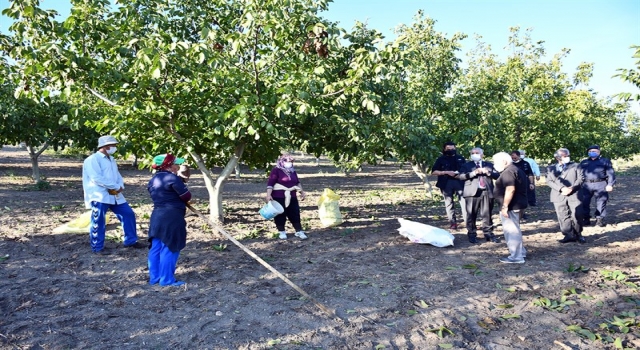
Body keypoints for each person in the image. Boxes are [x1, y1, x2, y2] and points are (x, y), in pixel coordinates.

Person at [82, 135, 143, 255]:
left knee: (128, 214)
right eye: (113, 145)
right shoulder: (92, 160)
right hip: (99, 195)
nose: (115, 147)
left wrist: (120, 185)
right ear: (105, 146)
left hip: (114, 194)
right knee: (98, 220)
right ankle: (97, 248)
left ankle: (130, 241)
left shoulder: (111, 159)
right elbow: (96, 178)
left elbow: (117, 175)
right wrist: (115, 186)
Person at [147, 154, 192, 287]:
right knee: (170, 246)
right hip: (172, 216)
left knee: (156, 247)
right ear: (169, 166)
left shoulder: (153, 180)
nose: (178, 166)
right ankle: (166, 280)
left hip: (157, 216)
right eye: (175, 164)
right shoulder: (172, 178)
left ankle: (155, 278)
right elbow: (187, 196)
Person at [457, 147, 500, 243]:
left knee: (487, 214)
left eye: (477, 152)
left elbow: (498, 176)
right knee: (471, 214)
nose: (474, 154)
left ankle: (488, 233)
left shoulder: (489, 165)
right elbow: (461, 176)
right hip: (471, 193)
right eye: (472, 153)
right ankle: (472, 234)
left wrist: (488, 173)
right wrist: (473, 173)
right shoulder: (466, 165)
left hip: (487, 191)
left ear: (482, 154)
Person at [492, 152, 528, 263]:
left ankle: (516, 257)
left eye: (496, 162)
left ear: (504, 161)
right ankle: (520, 252)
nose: (494, 164)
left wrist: (505, 206)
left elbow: (510, 189)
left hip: (511, 206)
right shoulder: (515, 169)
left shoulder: (508, 172)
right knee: (515, 229)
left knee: (511, 231)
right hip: (517, 204)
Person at [546, 148, 586, 243]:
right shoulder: (551, 168)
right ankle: (568, 234)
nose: (567, 157)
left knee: (578, 215)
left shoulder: (576, 166)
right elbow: (549, 181)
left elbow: (581, 178)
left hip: (574, 194)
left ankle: (578, 234)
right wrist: (561, 189)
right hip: (558, 195)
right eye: (564, 156)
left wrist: (572, 188)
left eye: (568, 155)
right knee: (563, 216)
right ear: (557, 157)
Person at [266, 154, 308, 240]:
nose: (290, 163)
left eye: (291, 162)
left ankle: (299, 231)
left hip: (292, 195)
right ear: (282, 162)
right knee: (281, 213)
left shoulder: (293, 171)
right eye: (288, 161)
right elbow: (270, 183)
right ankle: (282, 231)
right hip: (279, 196)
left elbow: (297, 182)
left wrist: (302, 192)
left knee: (294, 212)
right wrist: (268, 195)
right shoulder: (276, 170)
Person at [431, 142, 467, 230]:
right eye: (448, 149)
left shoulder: (460, 158)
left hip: (460, 182)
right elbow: (433, 172)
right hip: (446, 183)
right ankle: (453, 223)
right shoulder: (441, 159)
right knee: (449, 203)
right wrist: (446, 172)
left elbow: (466, 169)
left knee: (464, 202)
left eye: (452, 148)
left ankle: (468, 222)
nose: (450, 150)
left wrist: (459, 174)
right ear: (444, 149)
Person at [579, 145, 616, 227]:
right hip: (586, 185)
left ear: (599, 152)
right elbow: (578, 173)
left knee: (601, 202)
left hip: (600, 184)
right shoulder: (584, 162)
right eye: (590, 151)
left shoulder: (605, 161)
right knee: (584, 202)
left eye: (594, 151)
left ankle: (599, 220)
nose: (592, 153)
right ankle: (586, 219)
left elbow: (611, 174)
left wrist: (610, 184)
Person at [510, 151, 534, 221]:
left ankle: (522, 214)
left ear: (518, 156)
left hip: (524, 184)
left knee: (523, 200)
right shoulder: (510, 164)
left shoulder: (525, 163)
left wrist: (531, 183)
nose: (512, 157)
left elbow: (530, 174)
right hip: (513, 184)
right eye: (511, 156)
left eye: (514, 156)